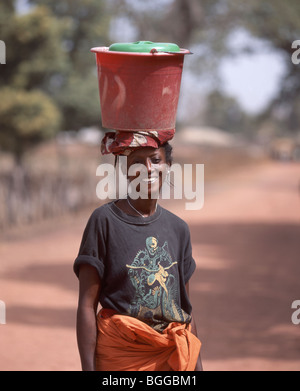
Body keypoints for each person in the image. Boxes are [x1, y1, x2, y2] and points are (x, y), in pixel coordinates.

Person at [74, 130, 202, 371]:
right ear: (126, 171)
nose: (147, 169)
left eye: (155, 160)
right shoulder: (104, 222)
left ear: (168, 165)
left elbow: (185, 309)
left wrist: (196, 367)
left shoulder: (179, 229)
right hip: (122, 359)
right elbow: (86, 305)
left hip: (170, 361)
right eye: (136, 163)